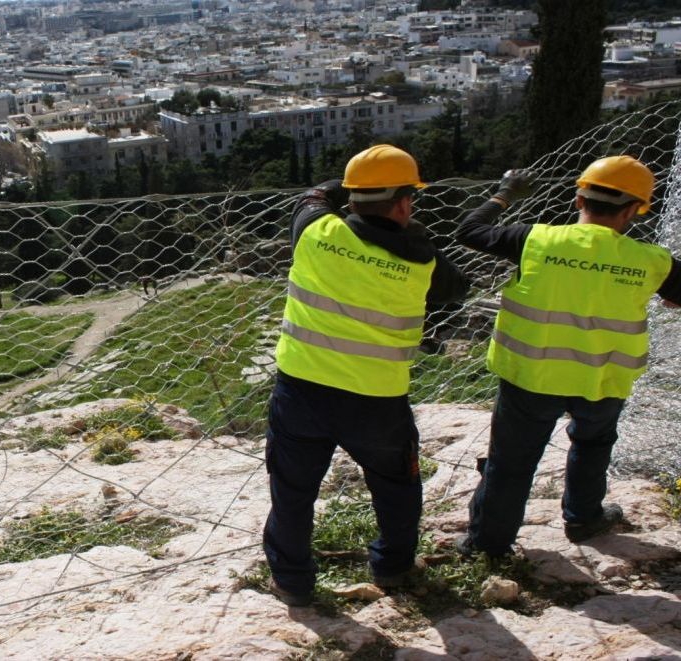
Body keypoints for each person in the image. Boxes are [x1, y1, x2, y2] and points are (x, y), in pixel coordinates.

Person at [263, 144, 470, 606]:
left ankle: (293, 582)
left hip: (302, 392)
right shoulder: (424, 264)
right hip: (377, 402)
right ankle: (393, 567)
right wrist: (414, 236)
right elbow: (458, 287)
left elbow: (314, 196)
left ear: (353, 199)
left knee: (293, 492)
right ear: (402, 204)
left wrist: (352, 184)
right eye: (410, 200)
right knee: (396, 488)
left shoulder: (316, 234)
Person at [454, 155, 681, 558]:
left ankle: (488, 545)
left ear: (579, 200)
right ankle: (583, 518)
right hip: (602, 378)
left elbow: (469, 230)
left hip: (533, 376)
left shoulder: (535, 240)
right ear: (634, 210)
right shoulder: (651, 261)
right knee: (594, 444)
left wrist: (506, 193)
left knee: (511, 462)